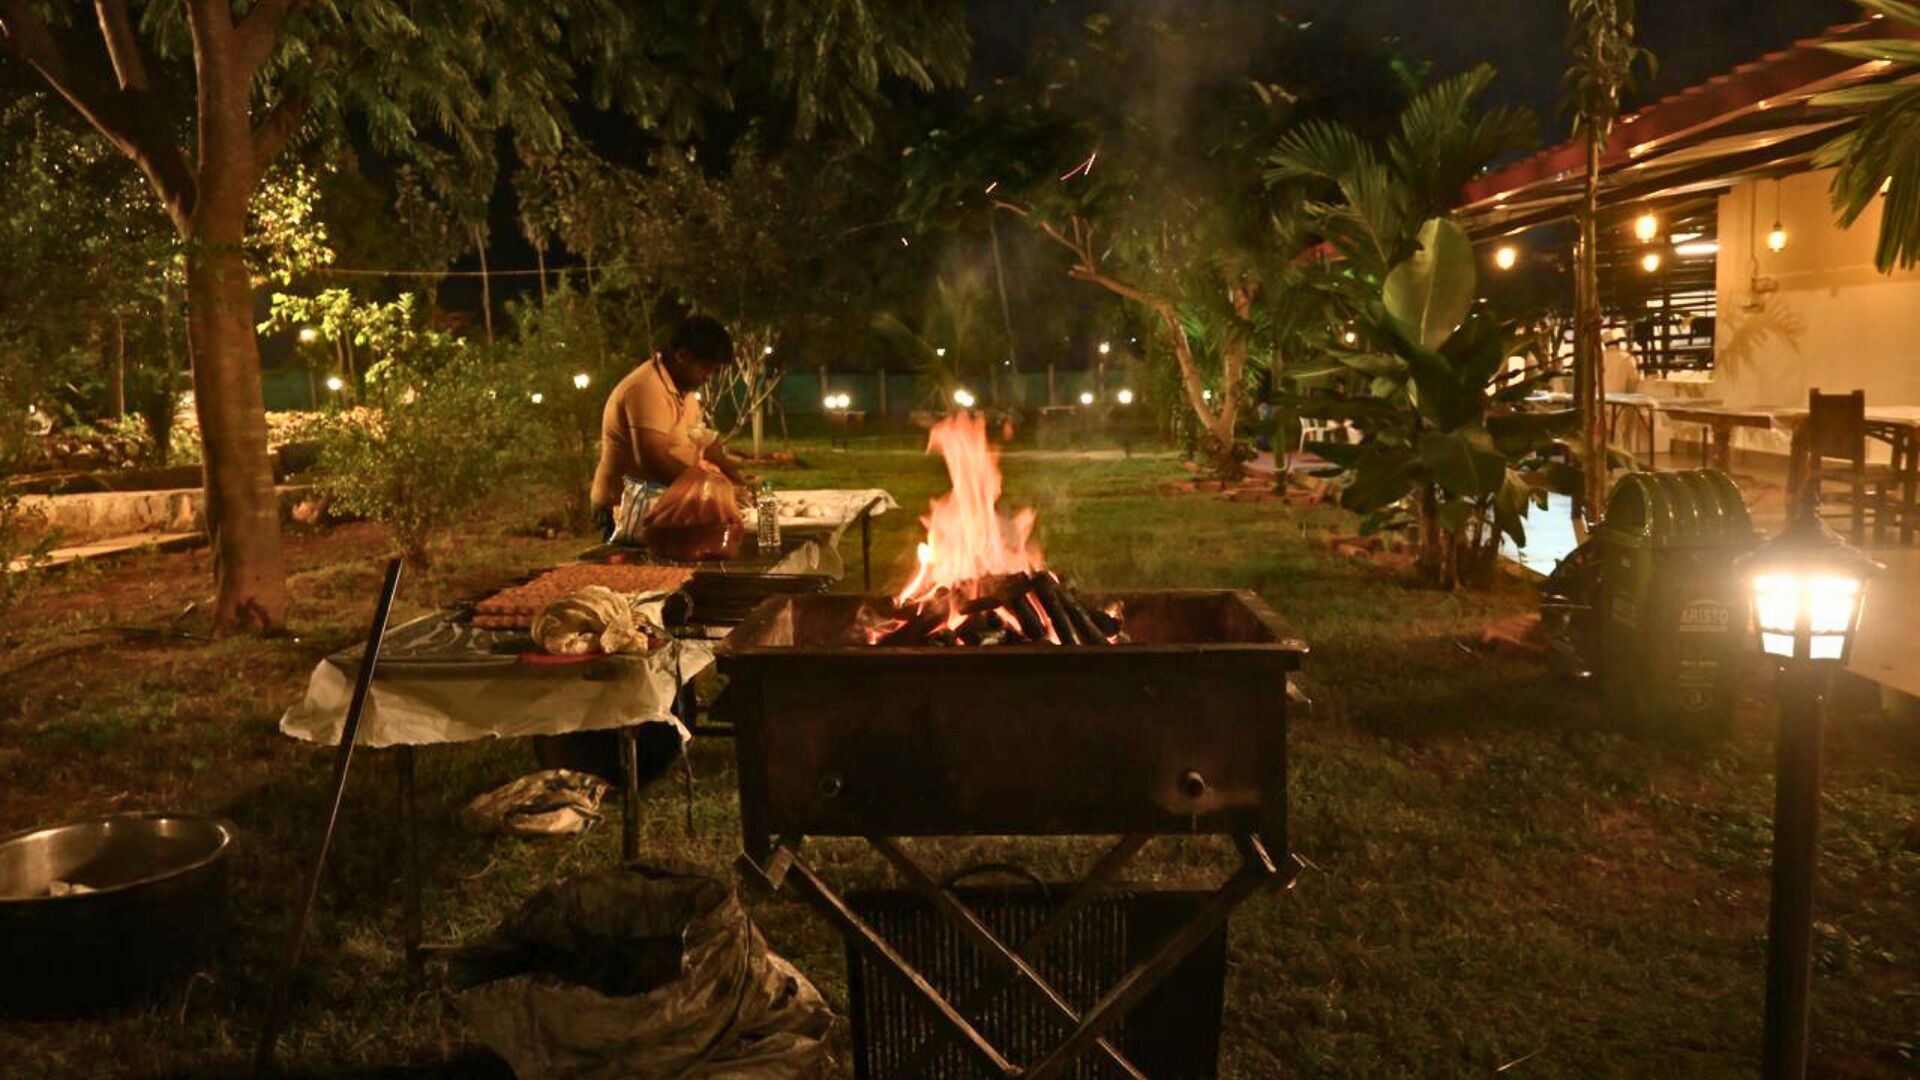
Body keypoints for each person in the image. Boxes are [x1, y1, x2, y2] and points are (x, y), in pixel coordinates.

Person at [590, 316, 754, 536]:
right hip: (628, 511)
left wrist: (736, 479)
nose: (708, 377)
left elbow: (704, 441)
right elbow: (653, 459)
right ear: (681, 356)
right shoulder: (645, 388)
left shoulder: (683, 389)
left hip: (663, 508)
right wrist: (712, 492)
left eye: (713, 370)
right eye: (705, 367)